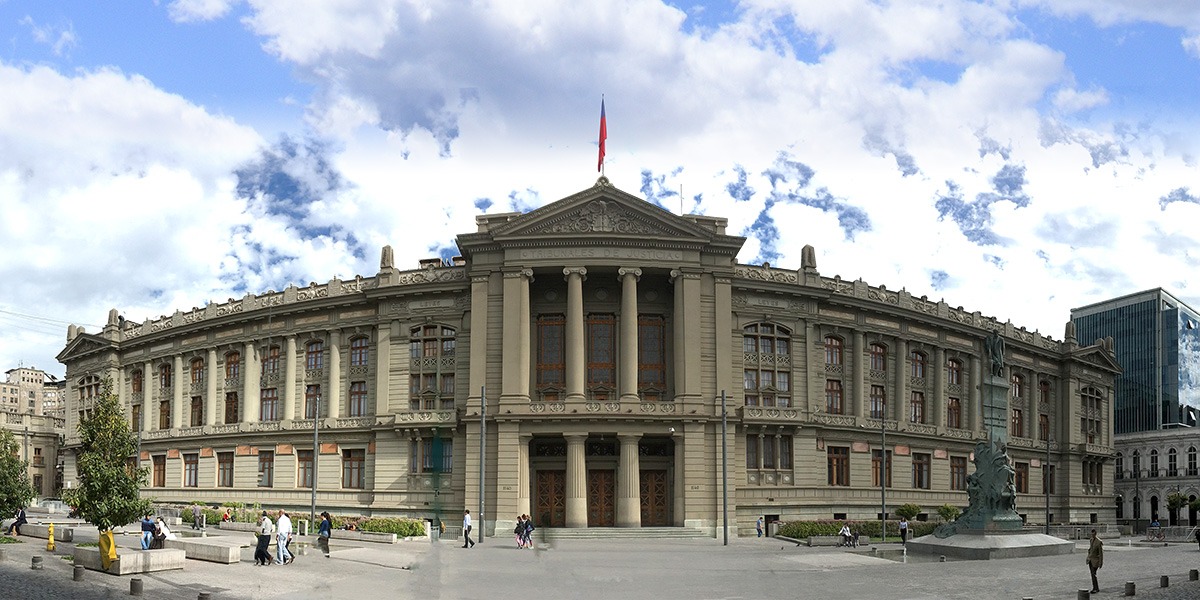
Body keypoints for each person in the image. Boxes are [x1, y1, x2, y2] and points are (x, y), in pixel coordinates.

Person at [1086, 529, 1104, 593]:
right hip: (1090, 560)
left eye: (1093, 534)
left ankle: (1096, 588)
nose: (1092, 535)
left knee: (1093, 574)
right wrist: (1088, 557)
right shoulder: (1091, 540)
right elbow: (1090, 549)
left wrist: (1100, 563)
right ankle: (1095, 587)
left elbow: (1101, 553)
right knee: (1092, 574)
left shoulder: (1099, 542)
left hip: (1096, 561)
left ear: (1095, 534)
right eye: (1091, 534)